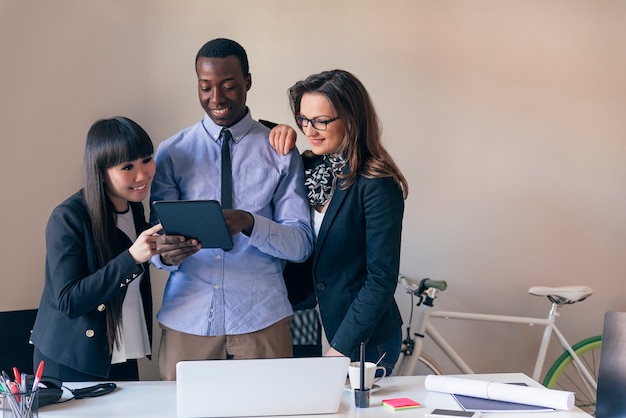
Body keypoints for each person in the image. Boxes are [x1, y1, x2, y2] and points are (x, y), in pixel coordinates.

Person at [150, 38, 313, 381]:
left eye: (228, 86)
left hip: (261, 318)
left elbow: (300, 245)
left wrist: (250, 222)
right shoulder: (171, 153)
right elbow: (155, 239)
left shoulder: (280, 152)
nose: (216, 98)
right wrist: (164, 255)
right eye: (205, 87)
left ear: (248, 82)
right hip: (187, 320)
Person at [270, 69, 409, 376]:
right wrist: (279, 129)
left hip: (361, 338)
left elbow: (381, 279)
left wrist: (340, 350)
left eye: (321, 121)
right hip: (305, 322)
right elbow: (258, 137)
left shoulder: (377, 184)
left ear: (351, 119)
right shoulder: (307, 166)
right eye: (303, 119)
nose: (310, 130)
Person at [30, 117, 185, 381]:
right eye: (127, 167)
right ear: (101, 170)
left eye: (146, 159)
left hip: (119, 352)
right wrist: (132, 258)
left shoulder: (134, 208)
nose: (142, 175)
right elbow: (67, 301)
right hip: (72, 360)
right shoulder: (68, 217)